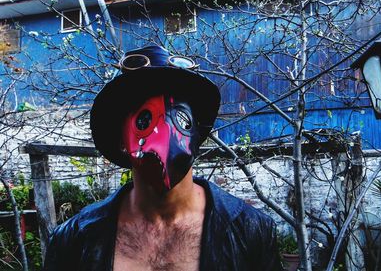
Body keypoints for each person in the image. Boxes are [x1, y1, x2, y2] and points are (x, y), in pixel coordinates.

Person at [43, 45, 283, 271]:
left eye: (180, 120)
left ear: (197, 133)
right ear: (121, 141)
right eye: (145, 120)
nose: (164, 132)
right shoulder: (75, 239)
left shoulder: (250, 231)